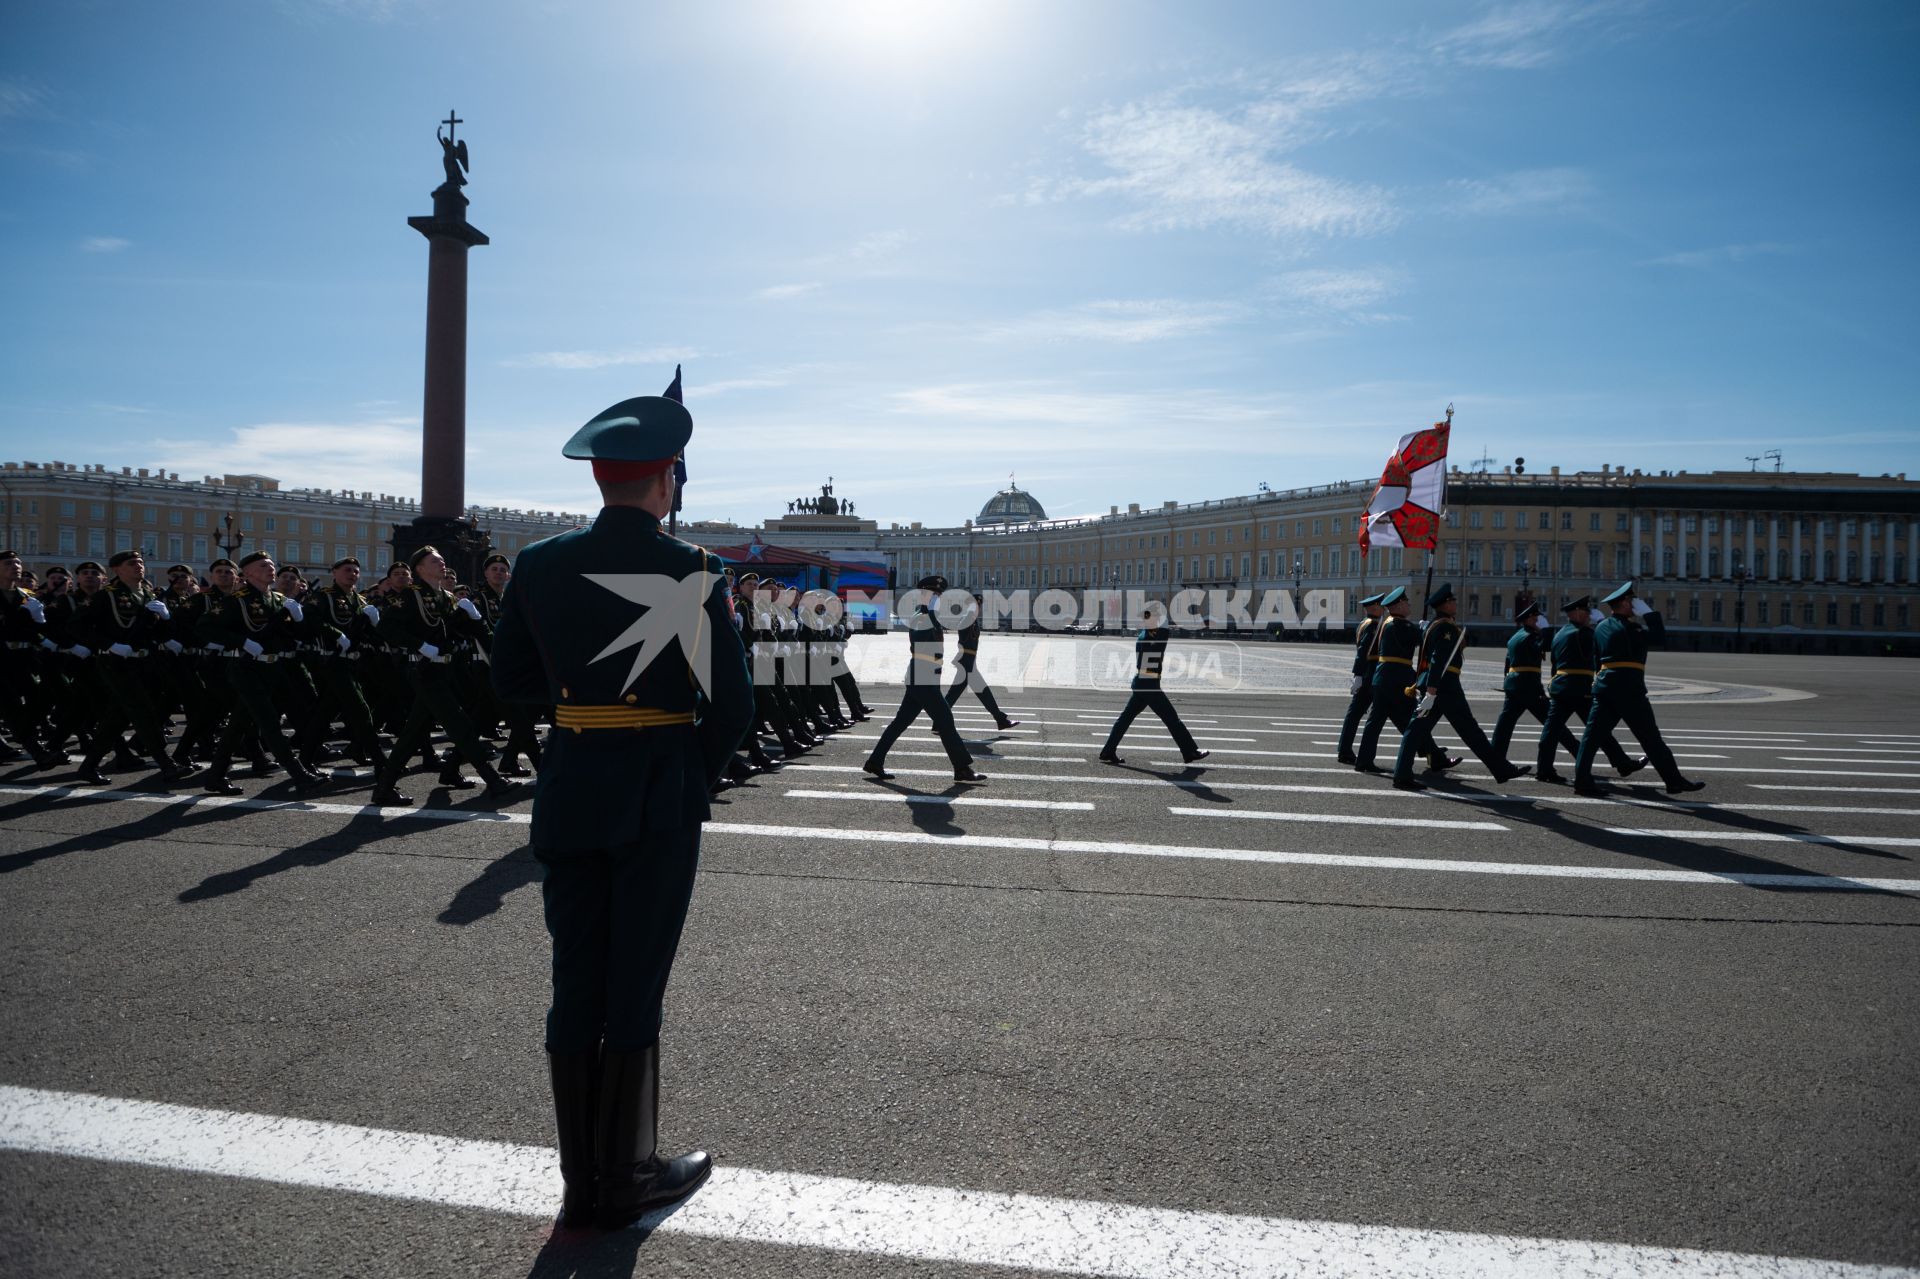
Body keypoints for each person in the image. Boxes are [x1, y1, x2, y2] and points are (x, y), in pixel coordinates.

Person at [490, 393, 753, 1230]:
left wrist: (578, 720)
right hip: (658, 795)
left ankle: (580, 1179)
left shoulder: (536, 563)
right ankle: (627, 1172)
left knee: (577, 979)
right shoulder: (692, 568)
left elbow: (509, 682)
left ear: (600, 476)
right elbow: (735, 706)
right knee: (634, 980)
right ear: (666, 480)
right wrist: (686, 770)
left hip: (572, 786)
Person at [371, 545, 515, 805]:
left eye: (442, 559)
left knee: (413, 733)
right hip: (424, 671)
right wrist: (419, 645)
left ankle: (384, 788)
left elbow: (455, 631)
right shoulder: (409, 596)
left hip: (446, 670)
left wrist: (471, 617)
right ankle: (493, 780)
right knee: (460, 724)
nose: (442, 564)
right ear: (420, 568)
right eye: (435, 561)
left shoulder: (445, 597)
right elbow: (386, 627)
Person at [195, 551, 329, 795]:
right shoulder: (238, 600)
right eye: (263, 565)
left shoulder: (278, 600)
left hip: (273, 668)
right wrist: (241, 642)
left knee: (238, 725)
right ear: (248, 573)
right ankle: (300, 774)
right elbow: (204, 627)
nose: (270, 568)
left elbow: (297, 636)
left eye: (270, 564)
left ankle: (215, 776)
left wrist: (298, 619)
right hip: (246, 669)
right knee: (269, 723)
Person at [71, 549, 200, 788]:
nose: (138, 566)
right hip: (115, 662)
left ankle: (88, 766)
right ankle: (167, 764)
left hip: (143, 663)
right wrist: (109, 645)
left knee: (117, 718)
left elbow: (156, 631)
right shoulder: (105, 596)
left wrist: (166, 619)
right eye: (132, 563)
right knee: (142, 711)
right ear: (117, 570)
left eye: (140, 562)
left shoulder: (146, 594)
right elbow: (78, 627)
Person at [1390, 583, 1529, 791]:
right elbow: (1439, 661)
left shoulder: (1436, 625)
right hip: (1445, 687)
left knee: (1417, 730)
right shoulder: (1445, 627)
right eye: (1452, 601)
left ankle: (1402, 774)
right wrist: (1432, 690)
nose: (1455, 603)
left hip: (1437, 686)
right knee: (1470, 731)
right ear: (1445, 604)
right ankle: (1501, 769)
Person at [1573, 581, 1704, 796]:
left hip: (1605, 688)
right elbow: (1660, 638)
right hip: (1629, 689)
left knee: (1591, 739)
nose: (1635, 605)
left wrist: (1599, 682)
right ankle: (1674, 781)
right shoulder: (1631, 628)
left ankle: (1582, 781)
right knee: (1651, 739)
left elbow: (1596, 660)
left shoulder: (1601, 627)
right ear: (1624, 603)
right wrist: (1650, 614)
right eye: (1633, 601)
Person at [862, 576, 986, 783]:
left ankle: (875, 761)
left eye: (938, 595)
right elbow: (921, 647)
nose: (937, 598)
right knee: (945, 720)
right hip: (922, 678)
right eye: (934, 595)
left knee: (900, 723)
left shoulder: (931, 616)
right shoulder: (921, 617)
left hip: (922, 678)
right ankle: (962, 768)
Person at [1535, 595, 1646, 784]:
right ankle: (1622, 763)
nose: (1588, 615)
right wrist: (1603, 622)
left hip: (1560, 687)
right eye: (1586, 611)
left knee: (1551, 731)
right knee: (1598, 729)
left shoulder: (1559, 634)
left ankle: (1544, 769)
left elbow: (1554, 664)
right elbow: (1606, 644)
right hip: (1580, 688)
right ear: (1577, 612)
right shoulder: (1584, 633)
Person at [1351, 586, 1459, 775]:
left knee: (1376, 723)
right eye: (1406, 602)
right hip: (1397, 680)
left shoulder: (1389, 623)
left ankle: (1364, 760)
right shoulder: (1401, 625)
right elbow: (1421, 640)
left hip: (1383, 678)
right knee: (1416, 722)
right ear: (1399, 605)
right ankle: (1434, 758)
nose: (1409, 605)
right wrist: (1426, 629)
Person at [1098, 601, 1208, 765]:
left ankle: (1108, 750)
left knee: (1125, 719)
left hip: (1141, 683)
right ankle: (1190, 751)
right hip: (1149, 686)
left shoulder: (1144, 634)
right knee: (1172, 719)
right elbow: (1164, 630)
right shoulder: (1155, 635)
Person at [1489, 601, 1575, 761]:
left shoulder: (1515, 637)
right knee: (1552, 722)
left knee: (1505, 725)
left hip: (1514, 686)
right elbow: (1545, 647)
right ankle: (1576, 749)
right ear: (1528, 620)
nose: (1538, 623)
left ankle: (1496, 756)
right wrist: (1547, 632)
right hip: (1529, 688)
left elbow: (1508, 664)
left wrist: (1507, 683)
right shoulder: (1531, 637)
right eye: (1536, 620)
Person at [941, 591, 1019, 730]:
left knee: (975, 694)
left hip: (969, 664)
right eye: (975, 605)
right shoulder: (966, 619)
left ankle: (1000, 720)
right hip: (965, 664)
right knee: (962, 694)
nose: (978, 608)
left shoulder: (972, 620)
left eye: (979, 605)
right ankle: (1000, 720)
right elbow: (963, 630)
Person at [1335, 591, 1385, 764]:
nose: (1383, 608)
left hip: (1367, 673)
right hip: (1370, 673)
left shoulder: (1366, 623)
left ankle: (1344, 750)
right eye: (1380, 605)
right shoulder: (1372, 626)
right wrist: (1358, 675)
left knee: (1354, 714)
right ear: (1373, 608)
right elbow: (1363, 652)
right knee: (1356, 714)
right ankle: (1345, 751)